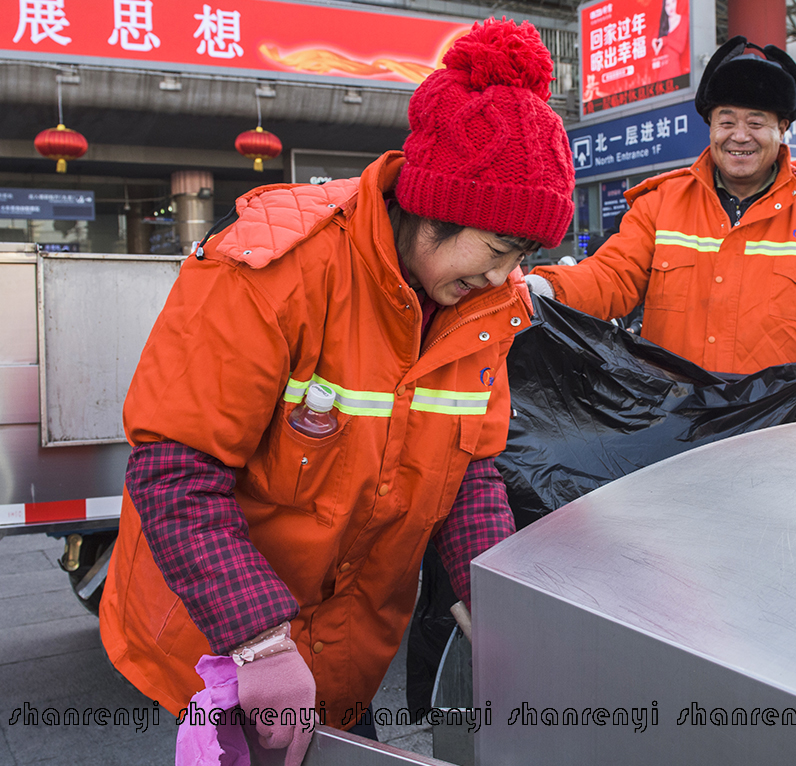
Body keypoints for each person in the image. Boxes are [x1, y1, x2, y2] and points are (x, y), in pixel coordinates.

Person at [98, 19, 575, 764]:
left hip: (345, 651)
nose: (504, 275)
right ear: (435, 207)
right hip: (223, 642)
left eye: (522, 256)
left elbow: (469, 476)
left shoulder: (482, 311)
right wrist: (257, 641)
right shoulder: (272, 272)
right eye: (498, 248)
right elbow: (174, 471)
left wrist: (501, 609)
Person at [525, 36, 796, 413]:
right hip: (672, 419)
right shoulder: (661, 202)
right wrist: (546, 288)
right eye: (727, 121)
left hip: (782, 422)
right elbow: (613, 275)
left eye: (756, 122)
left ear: (782, 128)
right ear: (710, 127)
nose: (740, 136)